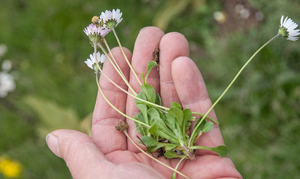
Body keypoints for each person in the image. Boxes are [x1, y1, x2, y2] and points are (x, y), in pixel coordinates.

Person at [46, 27, 242, 179]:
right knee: (153, 99)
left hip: (182, 149)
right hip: (181, 155)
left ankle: (178, 139)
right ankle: (175, 139)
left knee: (158, 96)